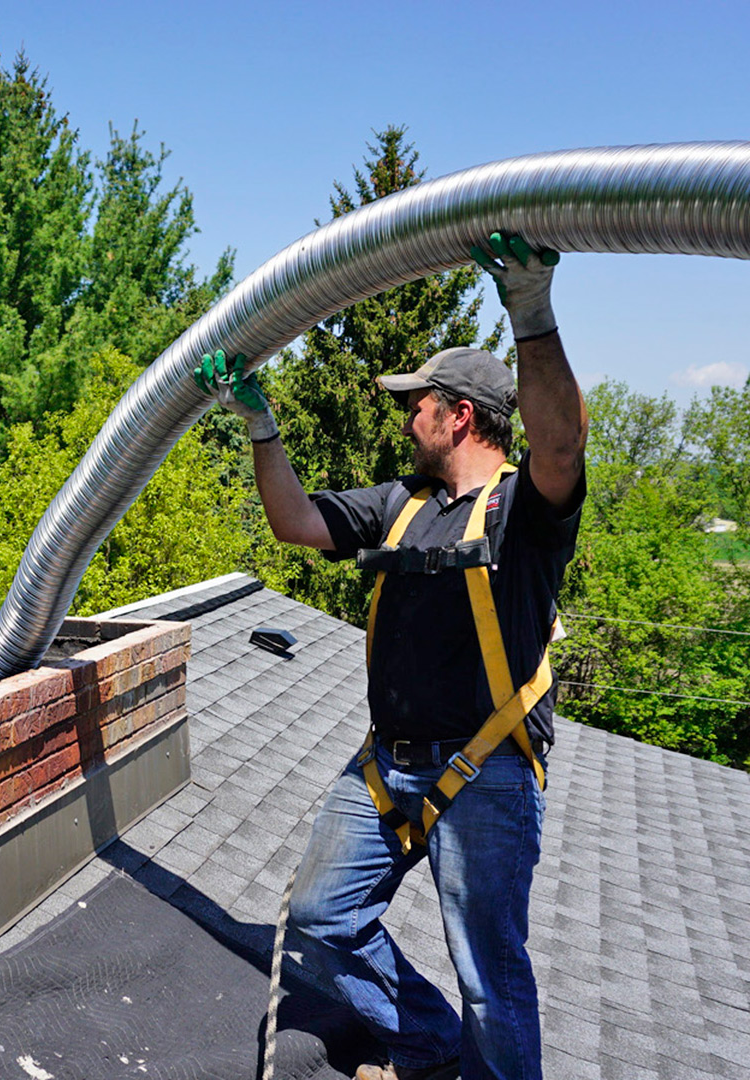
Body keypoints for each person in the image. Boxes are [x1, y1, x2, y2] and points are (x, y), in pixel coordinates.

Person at [193, 234, 588, 1080]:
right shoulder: (401, 505)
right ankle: (428, 1044)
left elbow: (559, 450)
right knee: (322, 918)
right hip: (384, 766)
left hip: (486, 773)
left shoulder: (523, 514)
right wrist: (262, 427)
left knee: (492, 979)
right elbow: (296, 523)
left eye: (419, 404)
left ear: (461, 415)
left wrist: (531, 311)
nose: (406, 417)